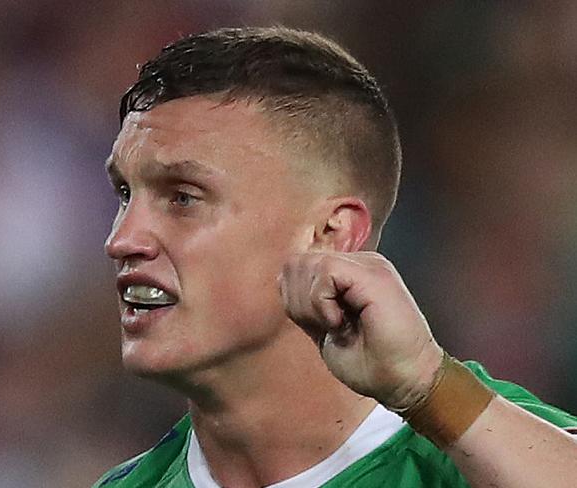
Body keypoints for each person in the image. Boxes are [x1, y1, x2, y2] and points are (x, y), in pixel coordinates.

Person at [95, 27, 577, 488]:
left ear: (330, 233)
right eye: (124, 193)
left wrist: (430, 390)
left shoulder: (493, 452)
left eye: (183, 197)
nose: (123, 238)